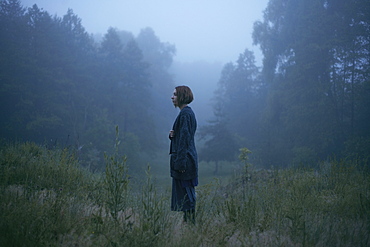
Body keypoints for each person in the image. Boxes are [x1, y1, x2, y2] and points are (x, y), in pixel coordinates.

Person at [169, 85, 198, 224]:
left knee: (187, 196)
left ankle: (191, 226)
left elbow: (185, 140)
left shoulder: (186, 114)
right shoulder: (186, 113)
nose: (172, 97)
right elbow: (183, 135)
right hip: (185, 159)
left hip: (185, 161)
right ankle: (189, 226)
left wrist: (180, 163)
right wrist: (173, 135)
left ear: (181, 96)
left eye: (175, 94)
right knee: (185, 196)